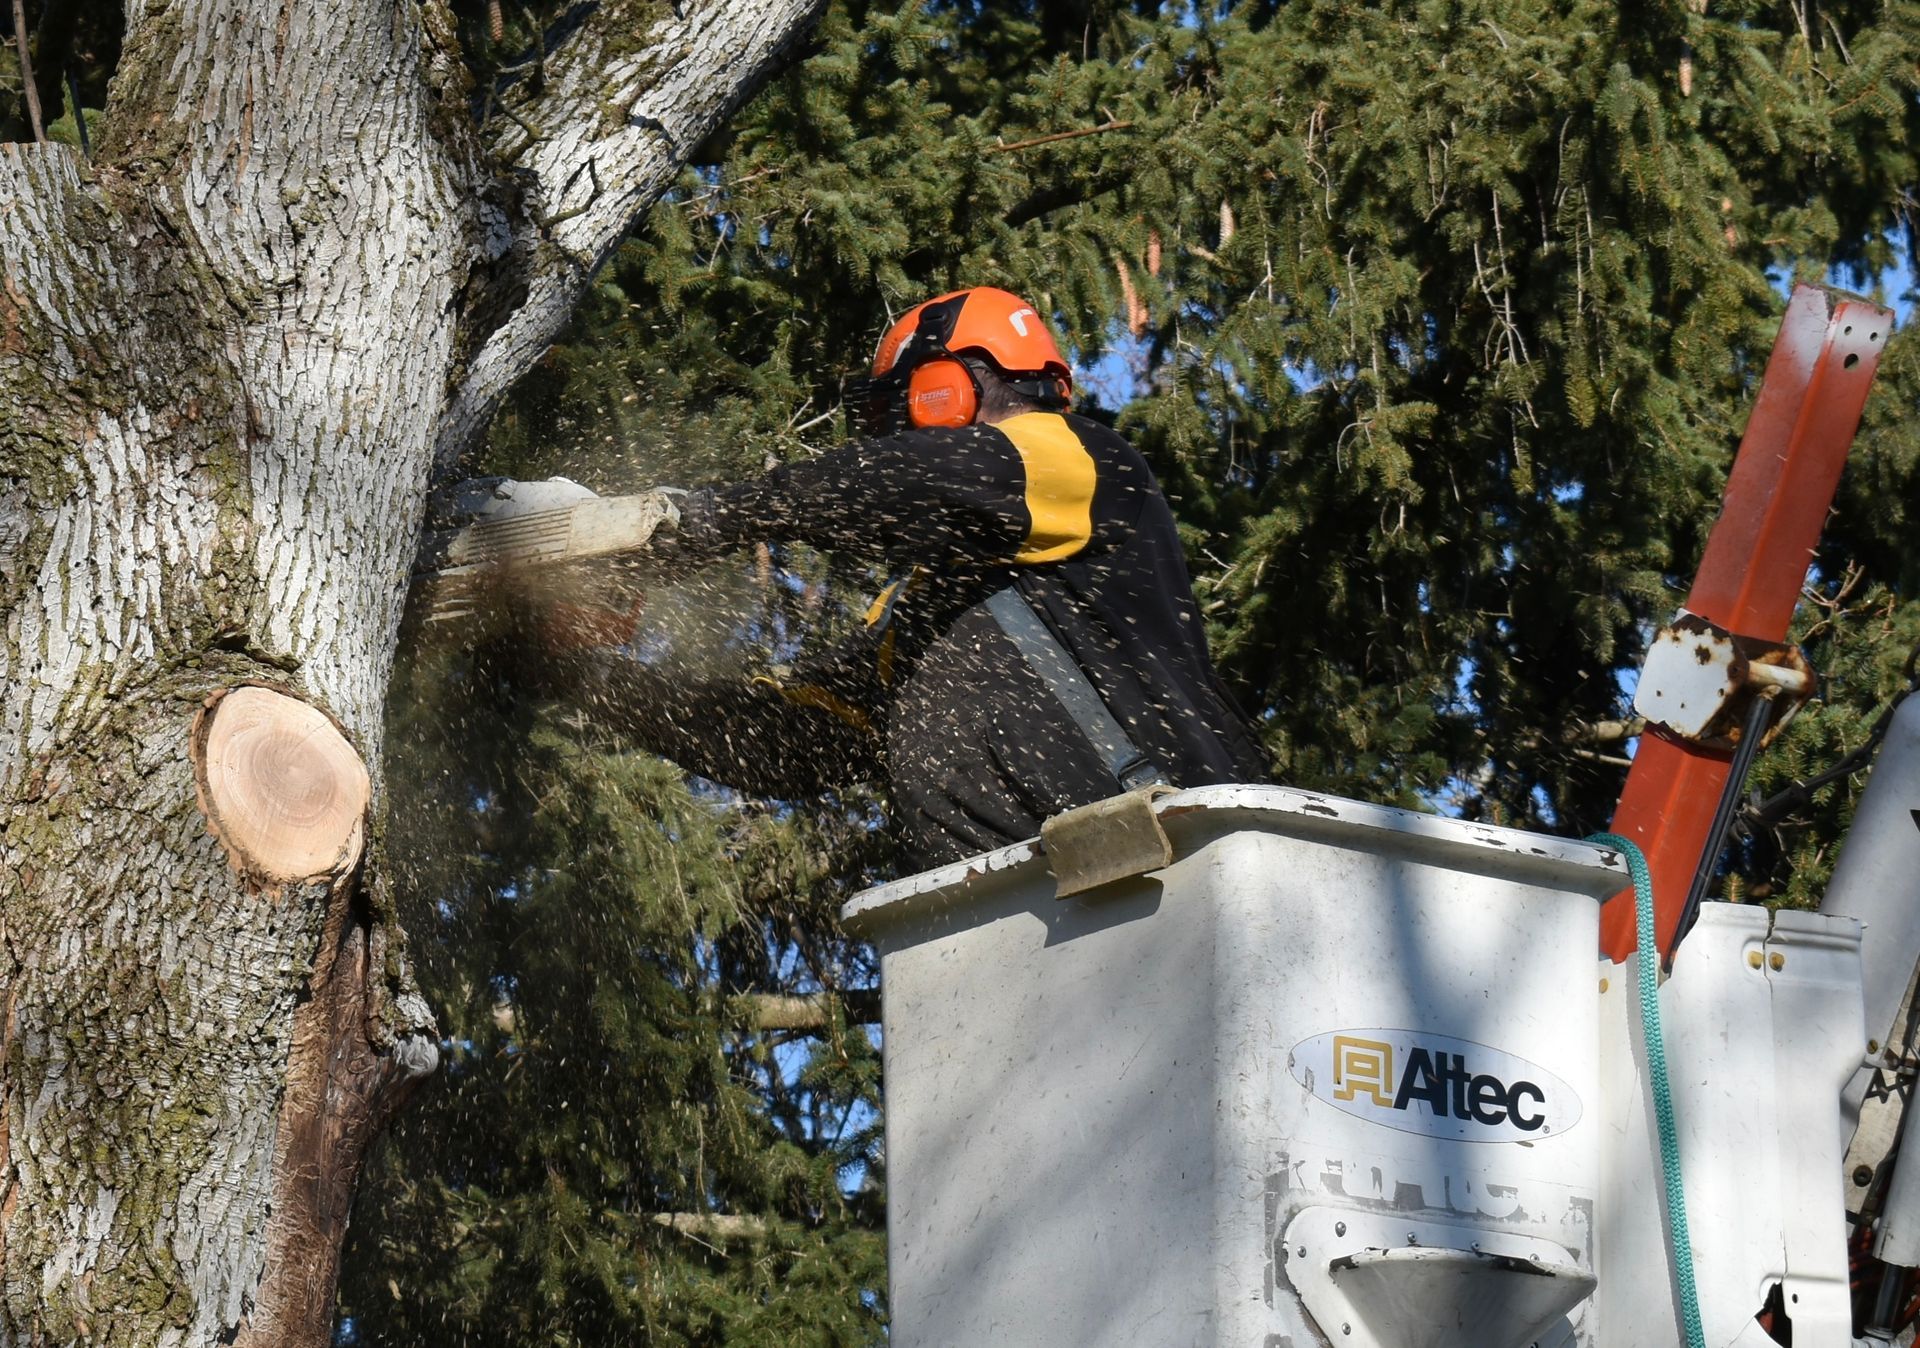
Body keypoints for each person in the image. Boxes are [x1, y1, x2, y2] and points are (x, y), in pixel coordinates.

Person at [559, 286, 1270, 868]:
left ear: (949, 388)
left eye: (898, 409)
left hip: (1176, 862)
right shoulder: (936, 617)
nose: (889, 436)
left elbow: (923, 480)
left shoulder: (1082, 461)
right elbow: (785, 742)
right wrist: (575, 674)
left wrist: (711, 520)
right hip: (1022, 918)